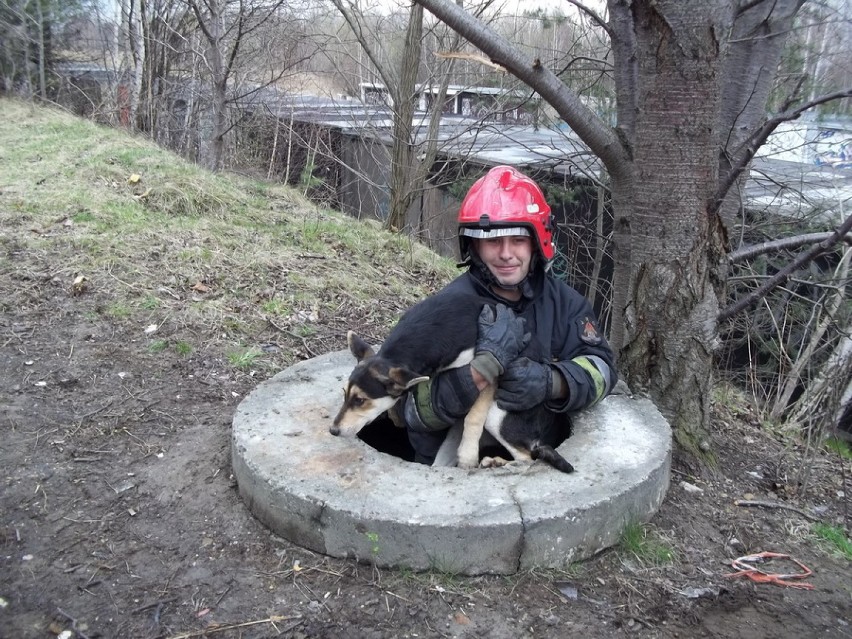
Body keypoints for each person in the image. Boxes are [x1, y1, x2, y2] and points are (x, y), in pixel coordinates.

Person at [402, 165, 618, 465]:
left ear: (537, 241)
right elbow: (408, 411)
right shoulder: (447, 308)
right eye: (492, 241)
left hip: (534, 461)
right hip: (449, 473)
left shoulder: (565, 305)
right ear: (474, 245)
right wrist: (471, 378)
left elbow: (603, 371)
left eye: (517, 240)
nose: (505, 254)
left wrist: (552, 381)